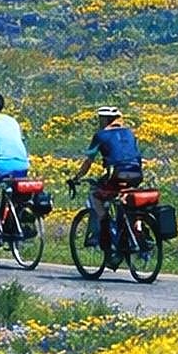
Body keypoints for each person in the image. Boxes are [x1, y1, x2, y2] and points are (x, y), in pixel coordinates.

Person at [68, 106, 145, 262]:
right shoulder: (129, 133)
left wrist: (76, 177)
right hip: (136, 173)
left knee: (96, 196)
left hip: (118, 173)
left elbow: (88, 161)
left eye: (100, 119)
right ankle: (138, 228)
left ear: (105, 119)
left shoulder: (100, 135)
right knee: (126, 200)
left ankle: (106, 237)